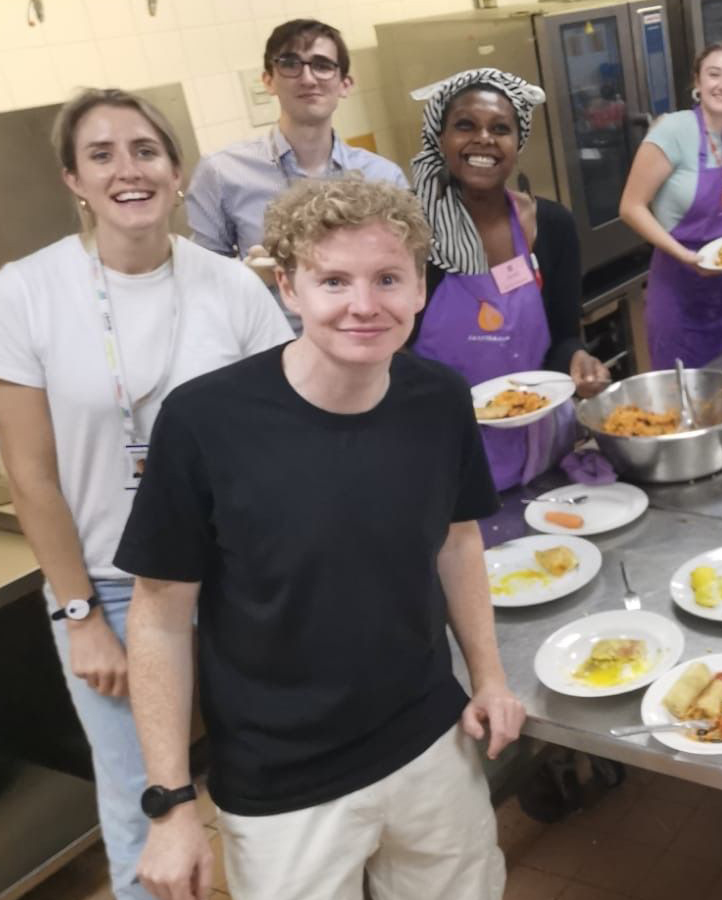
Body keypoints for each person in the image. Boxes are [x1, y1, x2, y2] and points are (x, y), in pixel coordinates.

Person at [120, 178, 522, 900]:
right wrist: (171, 802)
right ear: (289, 287)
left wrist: (488, 676)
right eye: (333, 280)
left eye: (388, 279)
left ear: (420, 288)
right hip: (282, 781)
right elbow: (158, 617)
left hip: (428, 742)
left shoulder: (439, 399)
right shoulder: (205, 424)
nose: (363, 305)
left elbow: (457, 541)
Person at [0, 89, 291, 900]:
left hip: (233, 581)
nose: (128, 169)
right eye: (102, 154)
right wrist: (78, 615)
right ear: (73, 180)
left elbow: (277, 444)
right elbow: (31, 474)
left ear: (177, 171)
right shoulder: (24, 293)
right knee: (144, 804)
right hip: (110, 591)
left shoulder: (231, 288)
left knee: (268, 779)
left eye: (145, 150)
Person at [408, 67, 610, 491]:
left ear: (516, 145)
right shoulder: (408, 234)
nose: (483, 139)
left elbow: (563, 337)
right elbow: (392, 356)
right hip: (446, 457)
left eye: (500, 129)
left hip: (544, 449)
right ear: (440, 139)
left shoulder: (550, 225)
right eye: (465, 126)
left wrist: (577, 361)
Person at [184, 18, 408, 330]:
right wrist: (248, 277)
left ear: (345, 84)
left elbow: (402, 273)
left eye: (322, 65)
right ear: (268, 80)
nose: (308, 78)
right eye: (291, 64)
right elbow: (198, 281)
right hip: (272, 352)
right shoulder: (222, 172)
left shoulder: (382, 177)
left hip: (366, 341)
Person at [620, 42, 722, 369]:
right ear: (697, 83)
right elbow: (631, 206)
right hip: (681, 299)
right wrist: (684, 255)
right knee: (689, 409)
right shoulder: (674, 129)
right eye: (714, 74)